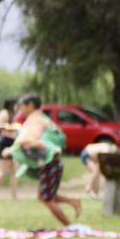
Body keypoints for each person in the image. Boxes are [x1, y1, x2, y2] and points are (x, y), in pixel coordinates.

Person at [12, 93, 82, 226]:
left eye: (22, 106)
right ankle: (73, 201)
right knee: (44, 195)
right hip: (51, 162)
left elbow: (31, 139)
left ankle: (69, 227)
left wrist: (13, 148)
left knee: (46, 198)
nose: (20, 109)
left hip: (49, 162)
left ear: (30, 105)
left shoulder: (35, 119)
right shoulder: (41, 117)